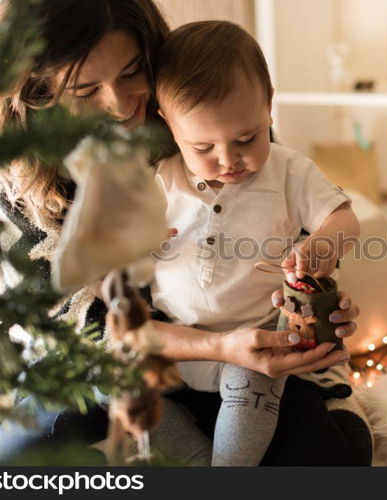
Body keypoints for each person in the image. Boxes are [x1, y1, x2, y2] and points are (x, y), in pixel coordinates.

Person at [0, 0, 372, 466]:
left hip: (248, 344)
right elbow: (79, 324)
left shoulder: (207, 109)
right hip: (109, 358)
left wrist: (320, 298)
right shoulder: (17, 174)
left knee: (331, 456)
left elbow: (299, 226)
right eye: (86, 90)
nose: (122, 105)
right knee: (11, 469)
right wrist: (213, 345)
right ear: (38, 93)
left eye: (130, 73)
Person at [151, 20, 361, 466]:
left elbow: (343, 218)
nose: (228, 160)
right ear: (169, 126)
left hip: (261, 343)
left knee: (257, 394)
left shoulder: (288, 170)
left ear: (269, 107)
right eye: (203, 147)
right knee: (124, 394)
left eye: (246, 139)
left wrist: (322, 245)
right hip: (177, 343)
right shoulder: (159, 180)